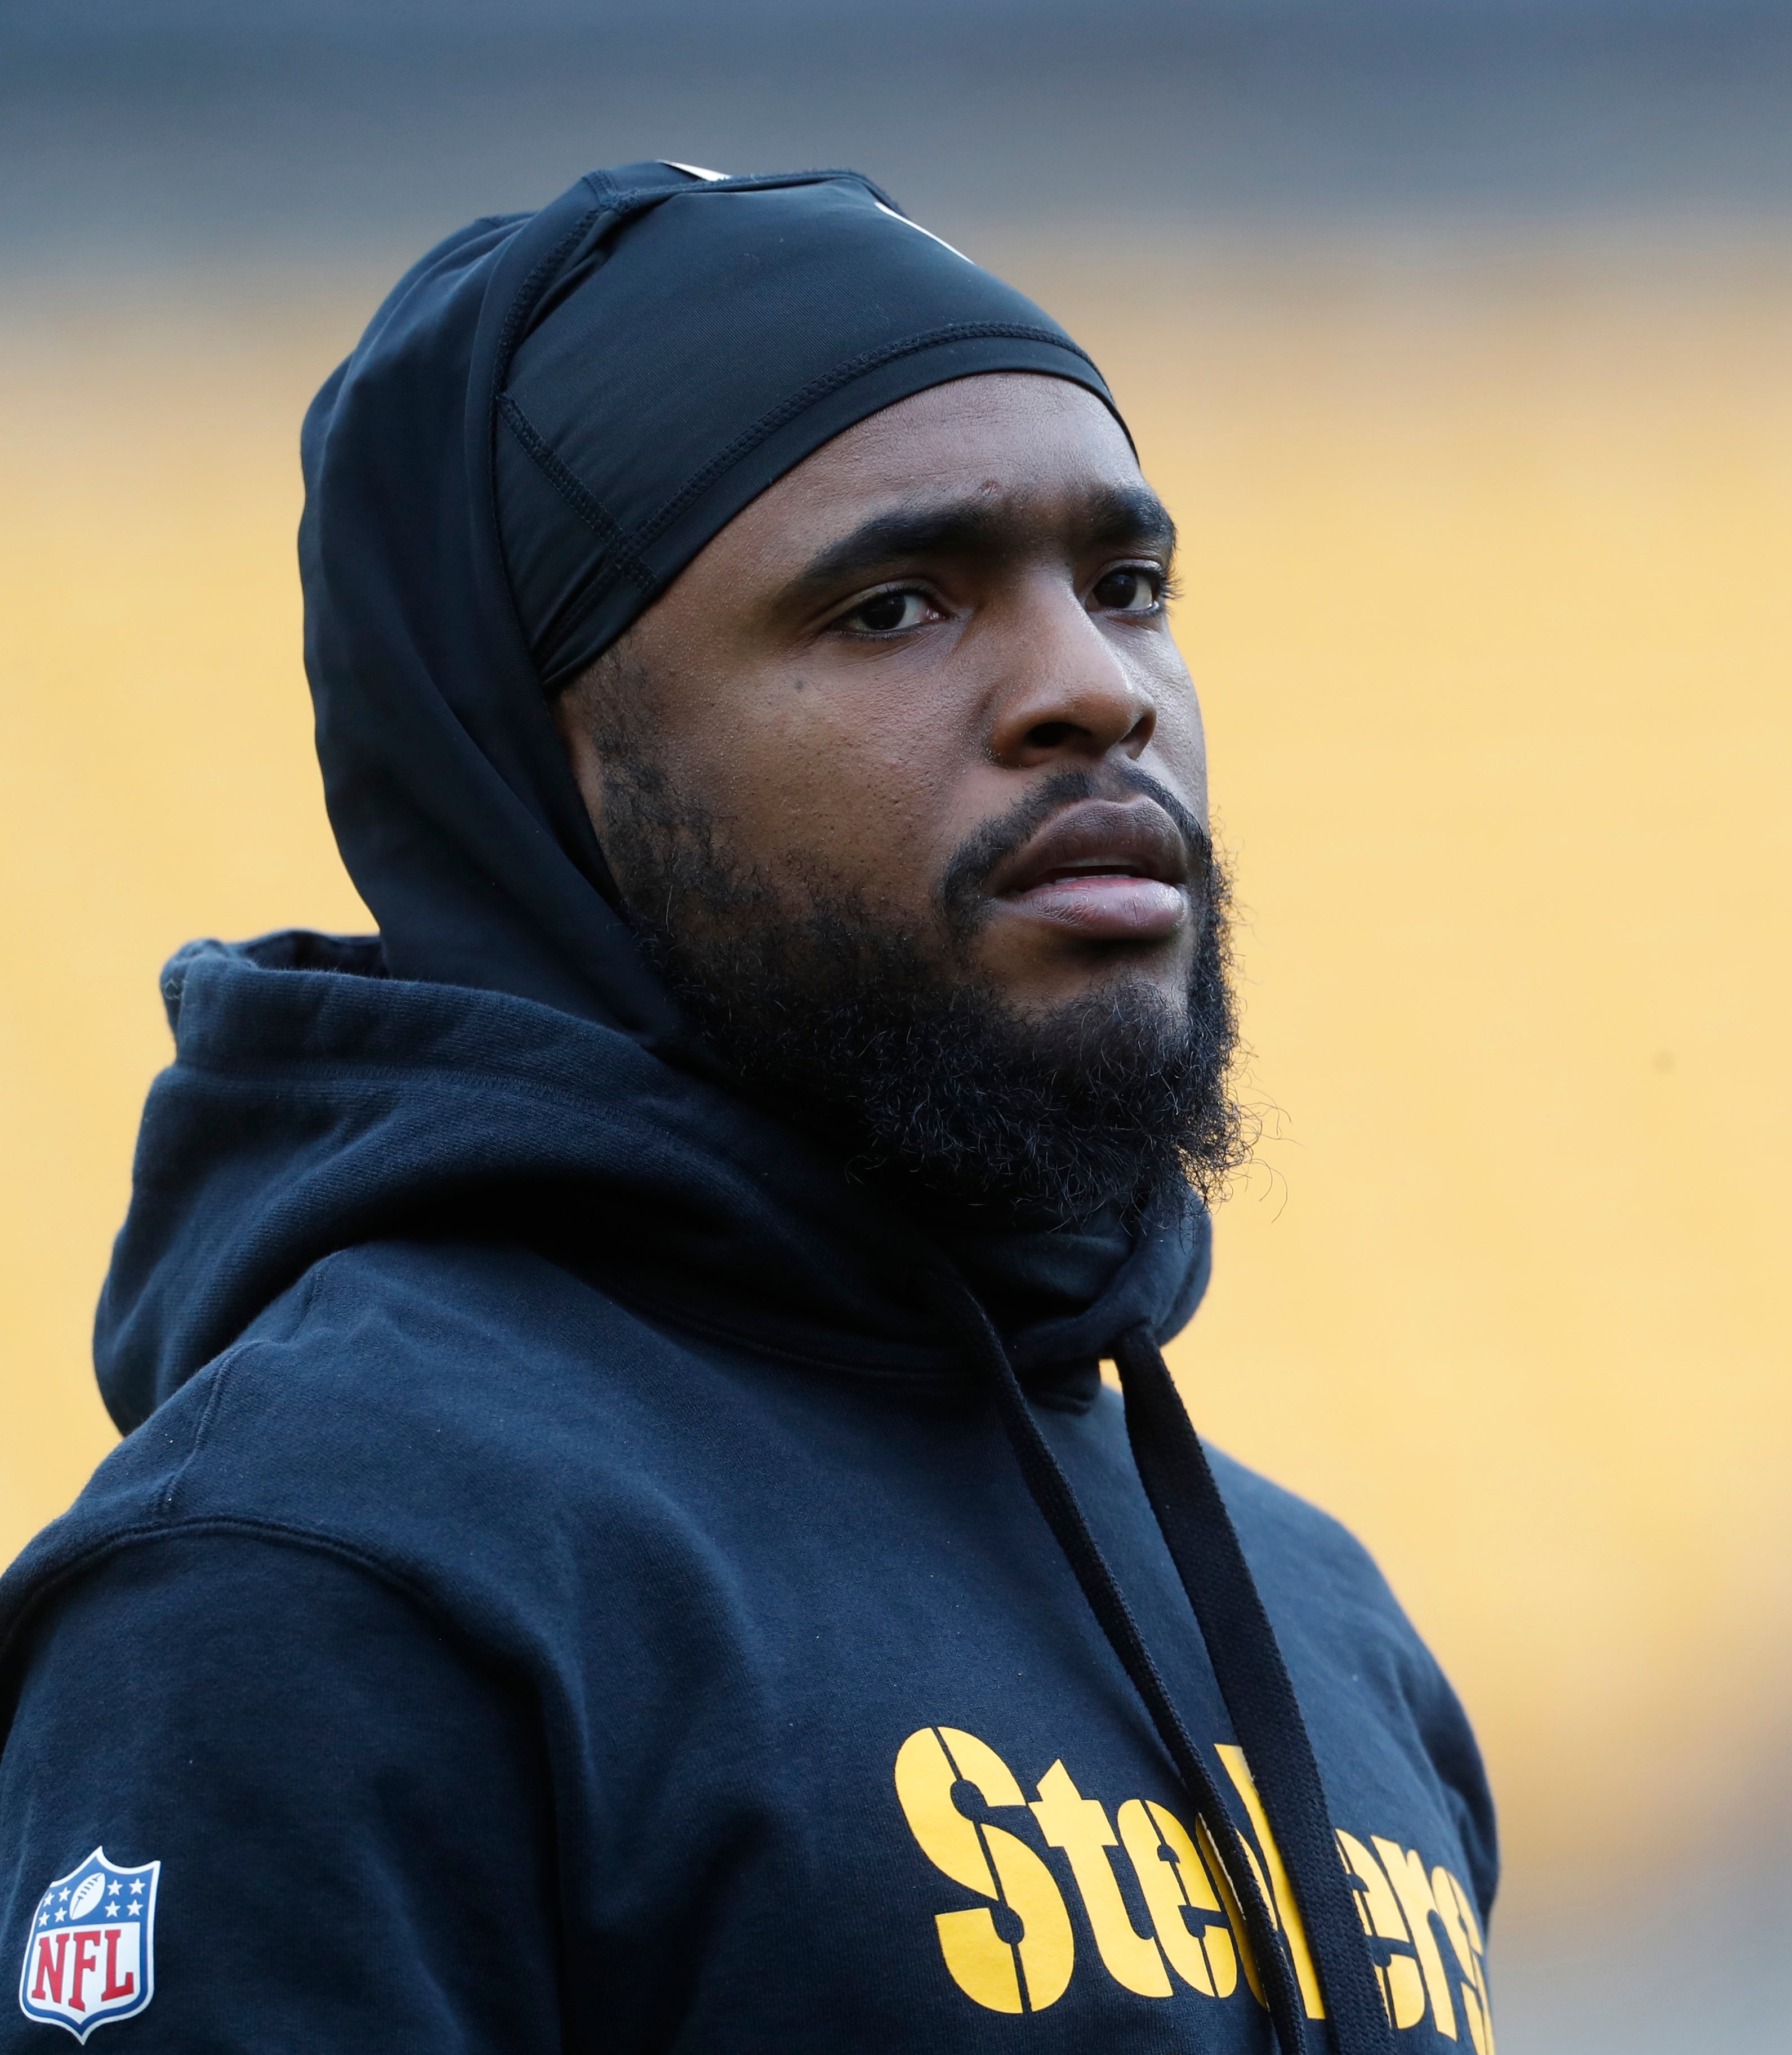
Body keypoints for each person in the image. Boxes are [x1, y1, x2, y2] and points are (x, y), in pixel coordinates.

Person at [0, 163, 1494, 2052]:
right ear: (535, 772)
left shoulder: (1315, 1612)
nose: (1093, 691)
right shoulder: (332, 1571)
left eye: (1127, 587)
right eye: (891, 608)